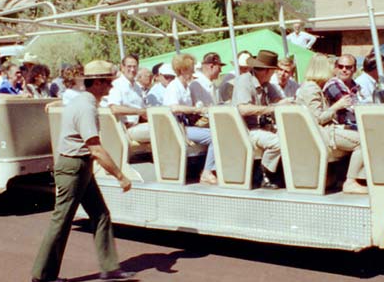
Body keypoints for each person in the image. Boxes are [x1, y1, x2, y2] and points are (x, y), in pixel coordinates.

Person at [31, 60, 135, 282]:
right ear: (97, 83)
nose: (110, 87)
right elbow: (95, 148)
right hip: (74, 167)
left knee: (100, 215)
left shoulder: (82, 101)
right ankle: (43, 273)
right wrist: (120, 175)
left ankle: (110, 269)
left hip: (79, 166)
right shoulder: (86, 107)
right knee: (62, 219)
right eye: (107, 82)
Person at [296, 54, 367, 194]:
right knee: (363, 141)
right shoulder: (311, 89)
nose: (336, 71)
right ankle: (351, 182)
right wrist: (337, 106)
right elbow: (318, 119)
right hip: (321, 135)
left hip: (323, 132)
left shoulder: (315, 87)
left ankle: (346, 178)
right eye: (334, 67)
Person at [229, 49, 284, 185]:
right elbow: (243, 109)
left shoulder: (266, 83)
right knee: (280, 142)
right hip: (246, 130)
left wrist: (286, 103)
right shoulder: (244, 81)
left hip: (263, 128)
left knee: (292, 137)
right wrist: (271, 108)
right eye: (274, 71)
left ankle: (281, 174)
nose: (274, 75)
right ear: (267, 71)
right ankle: (263, 174)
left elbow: (277, 100)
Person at [163, 53, 217, 184]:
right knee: (214, 136)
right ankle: (207, 171)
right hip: (177, 128)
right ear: (182, 70)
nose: (193, 71)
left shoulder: (185, 87)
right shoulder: (174, 87)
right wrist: (196, 110)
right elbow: (174, 108)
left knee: (217, 130)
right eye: (191, 68)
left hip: (185, 126)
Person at [105, 54, 150, 144]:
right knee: (160, 129)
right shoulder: (117, 85)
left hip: (137, 126)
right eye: (129, 66)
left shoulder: (137, 87)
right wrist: (139, 111)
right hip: (125, 129)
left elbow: (143, 111)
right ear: (122, 67)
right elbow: (114, 108)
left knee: (167, 126)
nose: (132, 70)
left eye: (134, 67)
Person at [323, 54, 362, 128]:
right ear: (336, 68)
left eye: (348, 67)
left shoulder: (356, 86)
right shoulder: (333, 85)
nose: (344, 70)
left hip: (354, 124)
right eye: (340, 67)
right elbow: (352, 106)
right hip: (338, 127)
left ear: (355, 69)